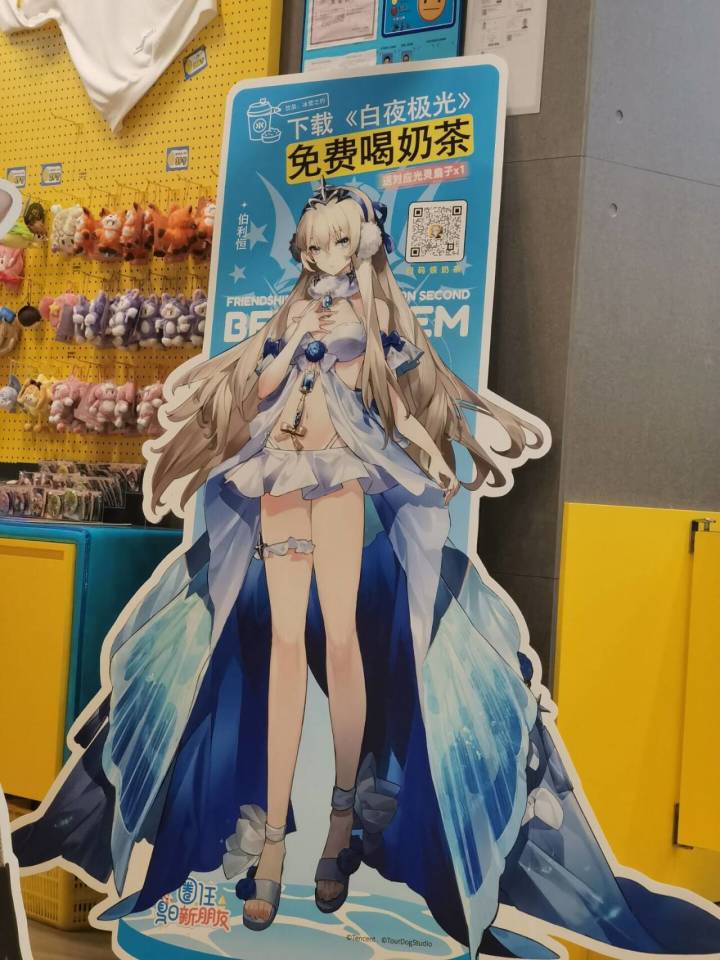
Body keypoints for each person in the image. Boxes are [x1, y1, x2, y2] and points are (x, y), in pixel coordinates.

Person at [13, 183, 720, 959]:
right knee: (285, 646)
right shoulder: (291, 314)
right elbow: (254, 391)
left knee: (343, 639)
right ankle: (273, 838)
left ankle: (341, 815)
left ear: (365, 244)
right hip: (278, 473)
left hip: (344, 476)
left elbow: (401, 396)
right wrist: (264, 369)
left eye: (339, 241)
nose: (325, 255)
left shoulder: (377, 314)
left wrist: (428, 452)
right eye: (315, 243)